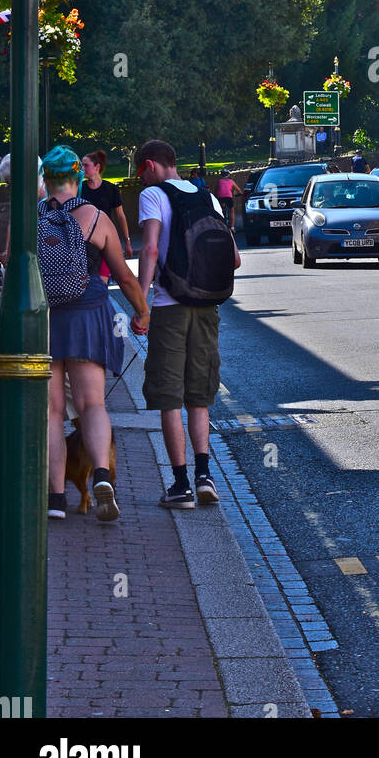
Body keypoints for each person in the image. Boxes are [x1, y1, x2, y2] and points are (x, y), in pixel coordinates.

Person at [42, 145, 150, 522]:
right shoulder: (95, 217)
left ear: (45, 179)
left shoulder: (31, 219)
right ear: (78, 178)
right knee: (93, 405)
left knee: (53, 413)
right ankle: (101, 475)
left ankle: (56, 499)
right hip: (88, 315)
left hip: (45, 320)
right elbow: (123, 276)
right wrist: (141, 311)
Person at [136, 139, 241, 508]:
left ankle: (179, 485)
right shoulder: (208, 197)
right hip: (207, 308)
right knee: (199, 397)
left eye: (139, 172)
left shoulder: (153, 196)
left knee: (169, 397)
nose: (140, 179)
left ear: (150, 165)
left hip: (170, 306)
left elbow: (149, 249)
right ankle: (204, 476)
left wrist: (141, 303)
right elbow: (236, 259)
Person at [80, 150, 134, 280]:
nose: (82, 168)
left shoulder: (110, 189)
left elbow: (120, 216)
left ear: (97, 167)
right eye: (81, 165)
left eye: (86, 165)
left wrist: (127, 242)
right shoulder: (80, 189)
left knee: (104, 281)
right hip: (85, 243)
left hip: (105, 241)